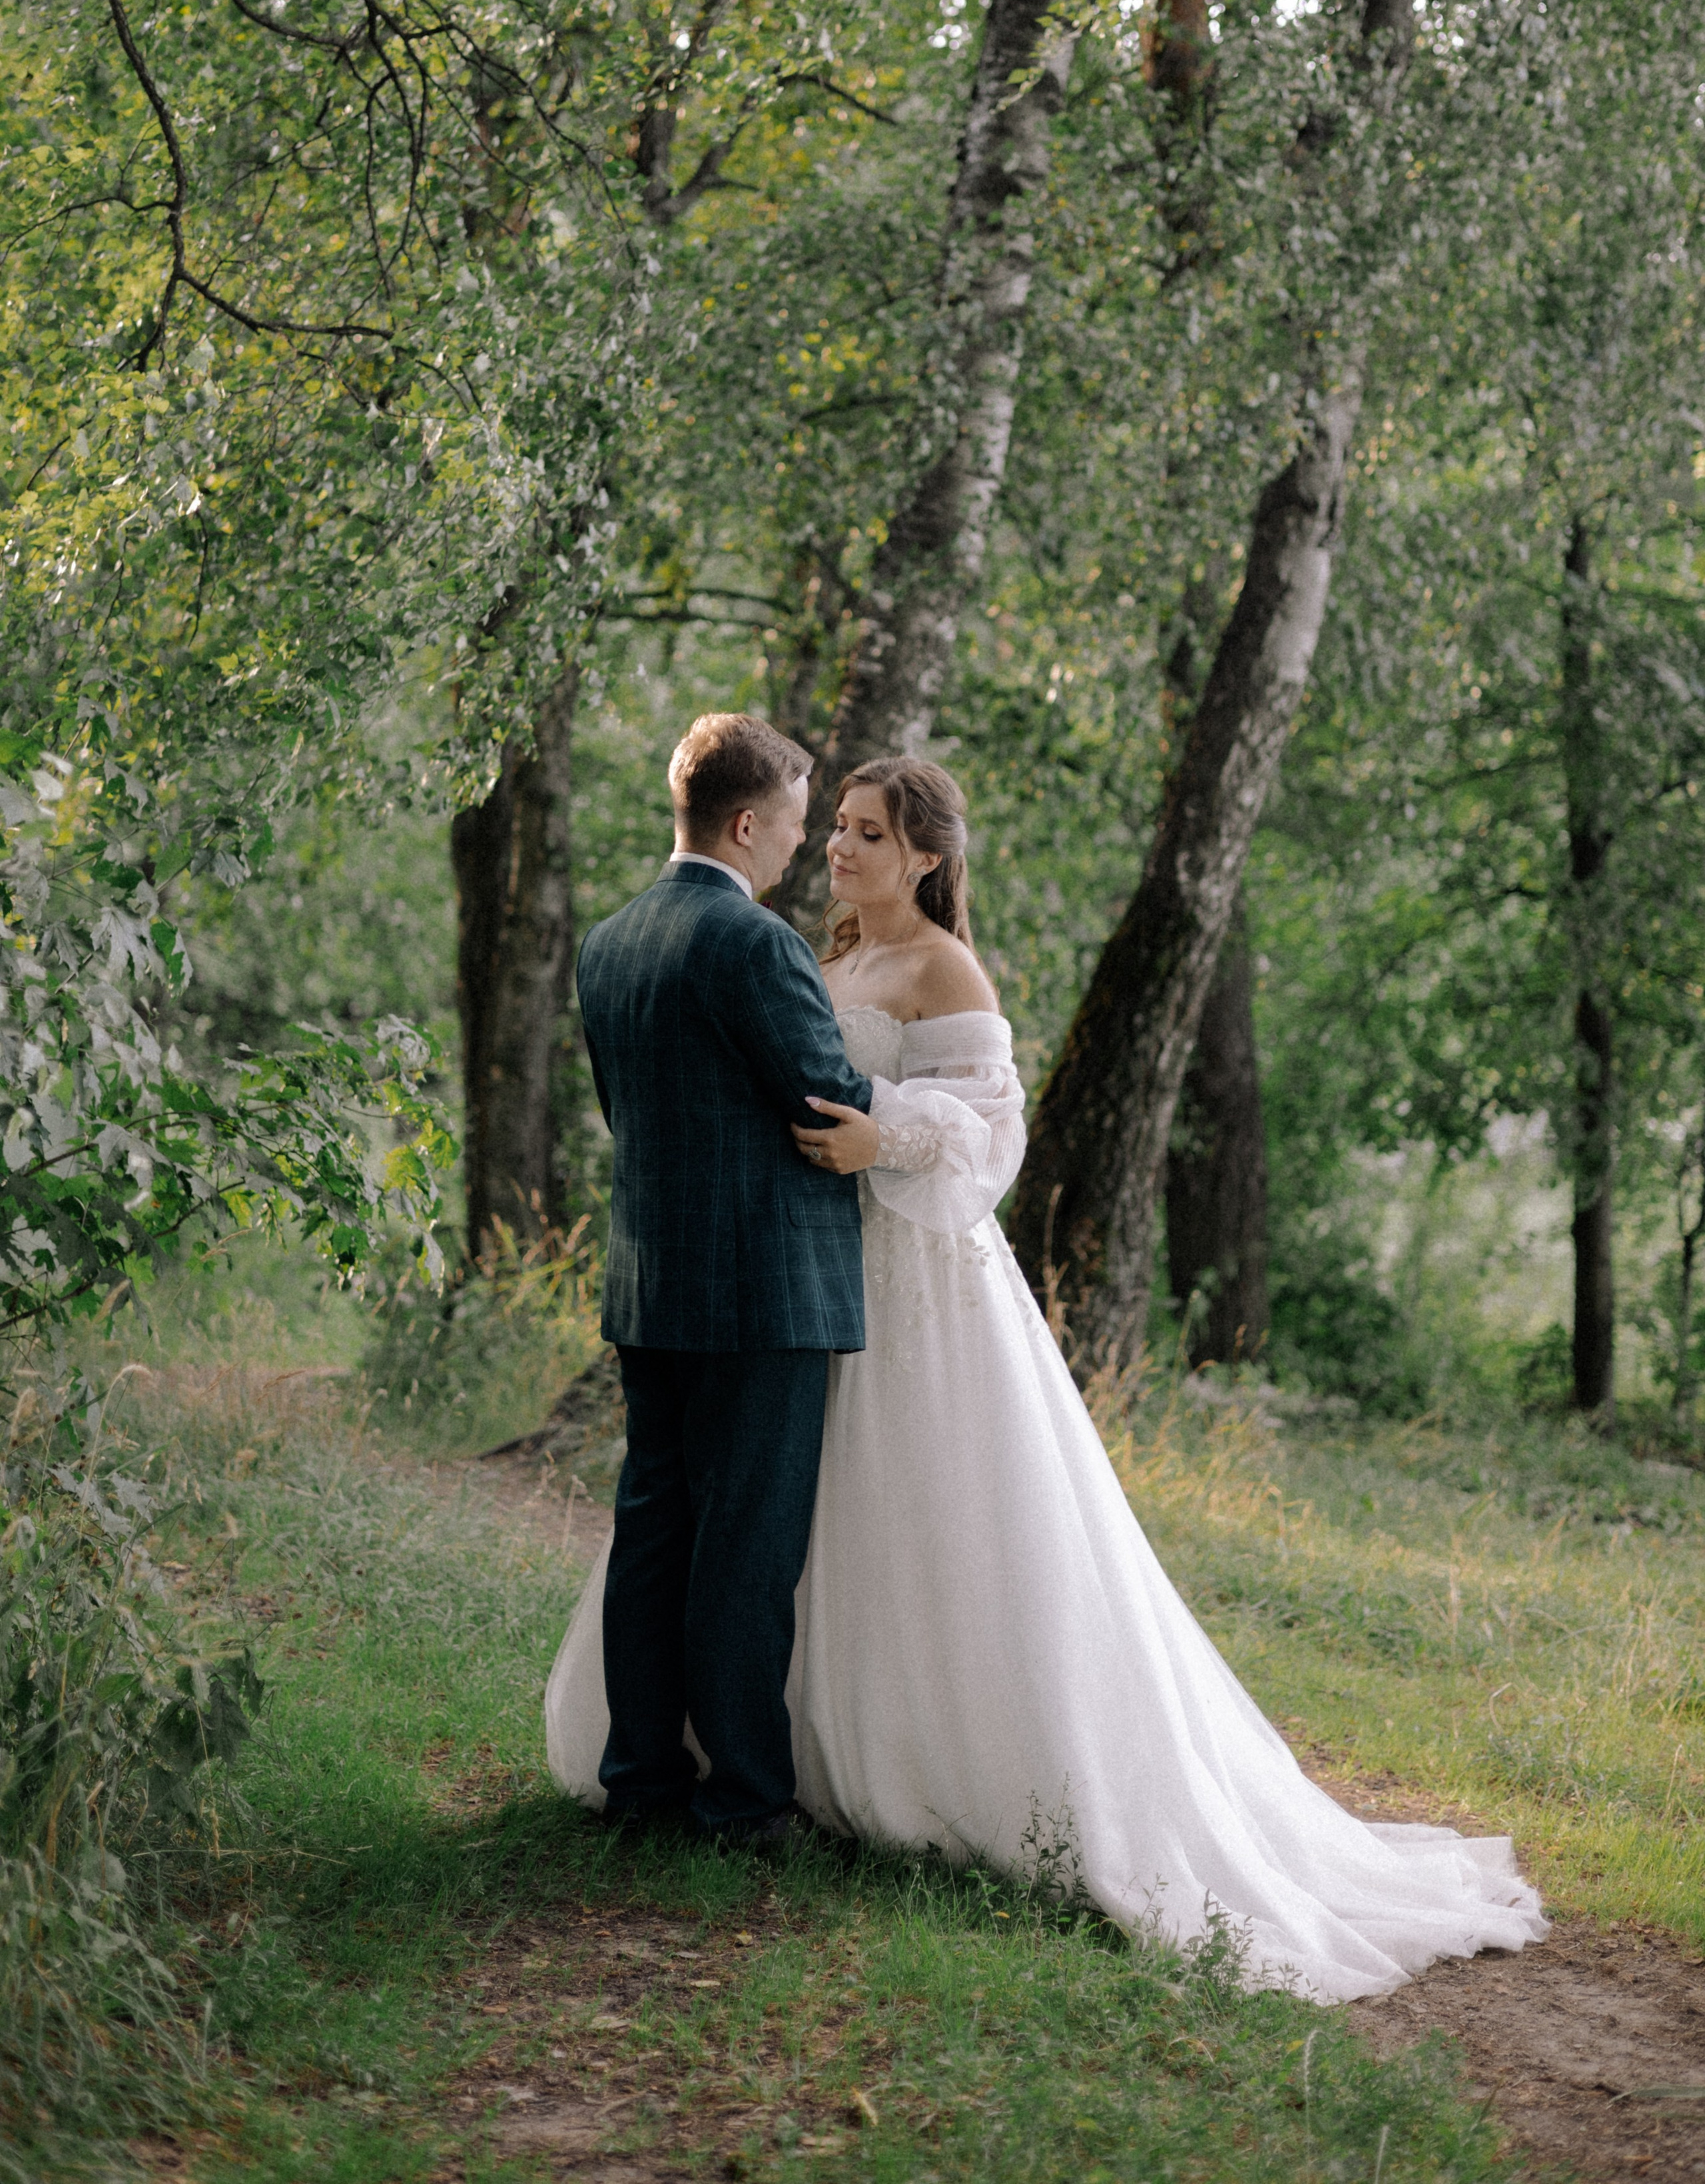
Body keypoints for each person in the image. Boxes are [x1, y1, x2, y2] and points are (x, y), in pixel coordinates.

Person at [549, 754, 1549, 2000]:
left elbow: (994, 1135)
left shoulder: (944, 971)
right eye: (836, 826)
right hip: (806, 1279)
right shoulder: (813, 957)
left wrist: (885, 1135)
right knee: (778, 1533)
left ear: (927, 856)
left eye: (867, 834)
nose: (839, 849)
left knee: (882, 1527)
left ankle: (859, 1773)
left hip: (911, 1285)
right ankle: (766, 1772)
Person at [569, 712, 878, 1845]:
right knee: (748, 1549)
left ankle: (641, 1779)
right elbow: (826, 1097)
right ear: (746, 825)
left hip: (653, 1281)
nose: (804, 843)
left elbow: (627, 1110)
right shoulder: (755, 943)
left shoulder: (610, 941)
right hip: (763, 1291)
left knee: (655, 1534)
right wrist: (936, 1115)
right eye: (795, 822)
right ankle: (746, 1801)